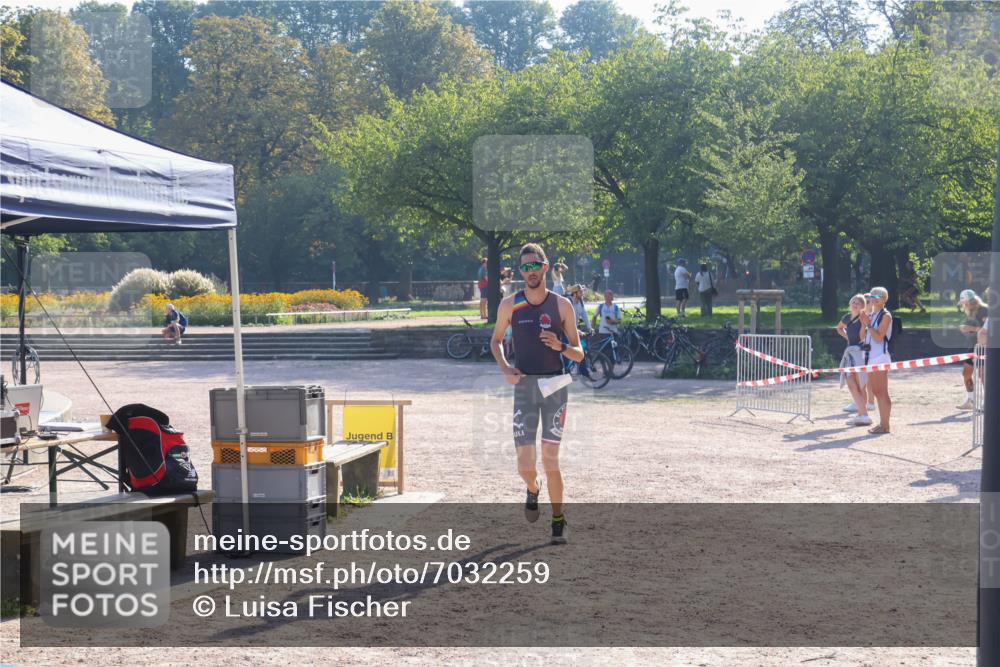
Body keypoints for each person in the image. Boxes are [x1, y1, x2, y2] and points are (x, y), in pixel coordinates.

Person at [491, 243, 584, 545]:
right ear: (521, 272)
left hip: (555, 386)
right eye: (525, 267)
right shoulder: (510, 305)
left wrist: (561, 347)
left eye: (535, 265)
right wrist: (506, 368)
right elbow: (495, 342)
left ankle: (558, 520)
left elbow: (579, 353)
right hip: (525, 387)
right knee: (525, 464)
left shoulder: (562, 306)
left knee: (550, 458)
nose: (530, 271)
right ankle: (533, 488)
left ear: (546, 266)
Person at [836, 295, 872, 426]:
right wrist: (847, 338)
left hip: (859, 352)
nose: (855, 304)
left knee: (860, 384)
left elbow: (862, 337)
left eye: (858, 303)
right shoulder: (846, 317)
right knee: (851, 383)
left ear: (862, 305)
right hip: (849, 352)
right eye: (853, 302)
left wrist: (863, 325)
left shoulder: (863, 317)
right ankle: (861, 413)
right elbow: (839, 328)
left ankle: (863, 415)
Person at [861, 287, 893, 434]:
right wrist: (864, 323)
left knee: (881, 392)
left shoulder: (886, 315)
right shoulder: (872, 314)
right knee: (875, 391)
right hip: (870, 357)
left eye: (878, 296)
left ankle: (885, 425)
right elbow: (862, 337)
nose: (874, 298)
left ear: (884, 299)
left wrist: (867, 324)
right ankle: (882, 424)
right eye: (873, 295)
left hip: (879, 357)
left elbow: (879, 336)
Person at [956, 289, 987, 410]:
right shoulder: (971, 311)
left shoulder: (984, 310)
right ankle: (971, 399)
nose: (963, 305)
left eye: (964, 302)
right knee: (966, 373)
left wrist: (969, 328)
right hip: (973, 346)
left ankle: (988, 401)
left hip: (984, 346)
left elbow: (987, 331)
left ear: (970, 301)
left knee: (983, 375)